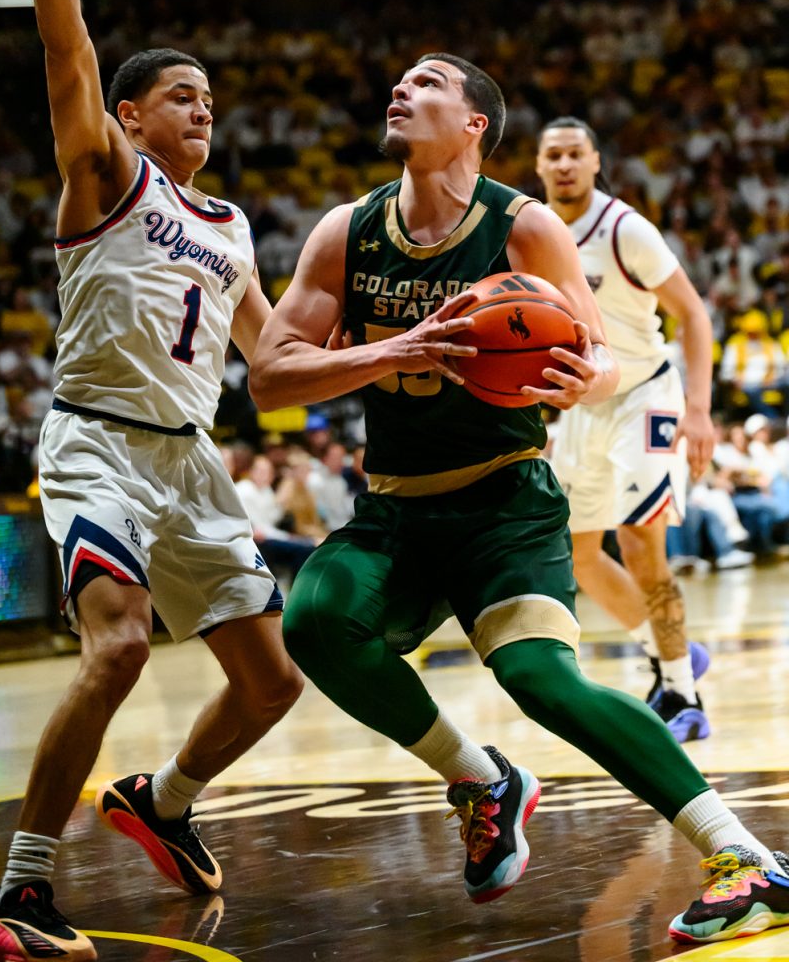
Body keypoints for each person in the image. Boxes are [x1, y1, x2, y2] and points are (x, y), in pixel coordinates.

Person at [251, 52, 789, 943]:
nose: (401, 89)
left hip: (505, 503)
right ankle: (479, 778)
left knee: (540, 678)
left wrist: (586, 377)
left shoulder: (524, 225)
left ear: (475, 125)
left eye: (428, 83)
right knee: (312, 625)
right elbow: (270, 378)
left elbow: (599, 352)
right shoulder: (344, 232)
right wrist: (395, 351)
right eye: (399, 81)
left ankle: (744, 856)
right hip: (395, 509)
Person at [0, 0, 303, 962]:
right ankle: (22, 887)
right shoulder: (103, 175)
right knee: (116, 647)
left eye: (211, 102)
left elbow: (277, 365)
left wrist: (411, 345)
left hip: (192, 461)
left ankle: (160, 803)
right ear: (129, 115)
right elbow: (65, 50)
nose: (203, 111)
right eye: (183, 96)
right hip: (97, 443)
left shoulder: (228, 225)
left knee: (271, 686)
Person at [536, 117, 716, 742]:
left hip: (646, 396)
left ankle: (682, 694)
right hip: (584, 405)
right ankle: (671, 651)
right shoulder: (533, 232)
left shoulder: (624, 229)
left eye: (573, 154)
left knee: (641, 543)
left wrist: (698, 408)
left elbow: (693, 314)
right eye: (552, 155)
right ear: (539, 167)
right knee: (579, 554)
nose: (563, 165)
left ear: (593, 162)